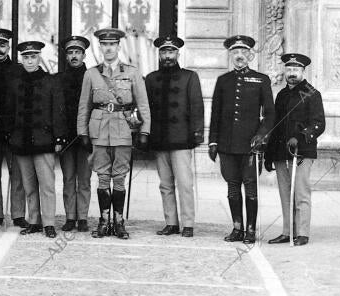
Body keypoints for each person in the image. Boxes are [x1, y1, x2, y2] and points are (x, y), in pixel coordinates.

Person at [77, 28, 151, 240]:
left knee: (119, 178)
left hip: (123, 130)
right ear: (100, 47)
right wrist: (82, 131)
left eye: (112, 44)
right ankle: (103, 220)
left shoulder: (132, 72)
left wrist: (145, 130)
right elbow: (84, 105)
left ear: (118, 47)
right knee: (102, 178)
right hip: (98, 131)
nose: (108, 48)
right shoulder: (91, 74)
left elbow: (143, 104)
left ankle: (118, 222)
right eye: (105, 44)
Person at [208, 35, 275, 244]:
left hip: (250, 146)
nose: (239, 56)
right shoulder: (223, 81)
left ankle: (251, 230)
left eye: (243, 52)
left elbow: (270, 114)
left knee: (251, 187)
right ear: (230, 55)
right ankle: (237, 228)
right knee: (232, 187)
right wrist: (213, 141)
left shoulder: (261, 80)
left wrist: (261, 136)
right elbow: (215, 113)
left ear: (250, 55)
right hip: (227, 146)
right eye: (235, 52)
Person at [5, 41, 67, 238]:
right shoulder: (15, 82)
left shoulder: (51, 81)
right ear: (21, 59)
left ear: (39, 57)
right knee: (29, 185)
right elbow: (10, 111)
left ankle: (49, 223)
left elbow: (58, 112)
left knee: (47, 184)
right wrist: (10, 135)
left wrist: (59, 137)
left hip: (44, 140)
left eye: (33, 57)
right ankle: (34, 221)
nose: (29, 61)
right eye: (26, 57)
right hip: (21, 141)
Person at [145, 35, 204, 238]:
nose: (167, 55)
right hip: (160, 139)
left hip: (182, 139)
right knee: (165, 184)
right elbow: (146, 110)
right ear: (159, 54)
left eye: (171, 52)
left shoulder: (190, 77)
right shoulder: (151, 79)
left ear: (178, 53)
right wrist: (144, 134)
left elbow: (197, 106)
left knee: (185, 183)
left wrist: (197, 133)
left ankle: (188, 223)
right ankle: (171, 222)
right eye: (164, 51)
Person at [265, 53, 325, 246]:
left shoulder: (312, 93)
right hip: (281, 152)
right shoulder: (282, 95)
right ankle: (287, 231)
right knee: (285, 193)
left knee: (300, 192)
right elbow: (275, 124)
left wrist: (300, 138)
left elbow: (318, 124)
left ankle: (302, 233)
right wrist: (269, 154)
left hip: (302, 152)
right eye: (289, 69)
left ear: (303, 71)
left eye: (296, 70)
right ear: (285, 71)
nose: (292, 73)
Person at [0, 28, 28, 229]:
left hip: (14, 130)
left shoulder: (19, 70)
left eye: (2, 45)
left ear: (8, 46)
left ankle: (18, 214)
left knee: (17, 173)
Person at [57, 35, 92, 232]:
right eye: (70, 53)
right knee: (68, 178)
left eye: (77, 52)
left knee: (84, 179)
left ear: (84, 54)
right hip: (67, 137)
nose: (74, 56)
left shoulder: (92, 76)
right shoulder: (59, 79)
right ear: (66, 56)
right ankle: (70, 217)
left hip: (86, 137)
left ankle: (83, 217)